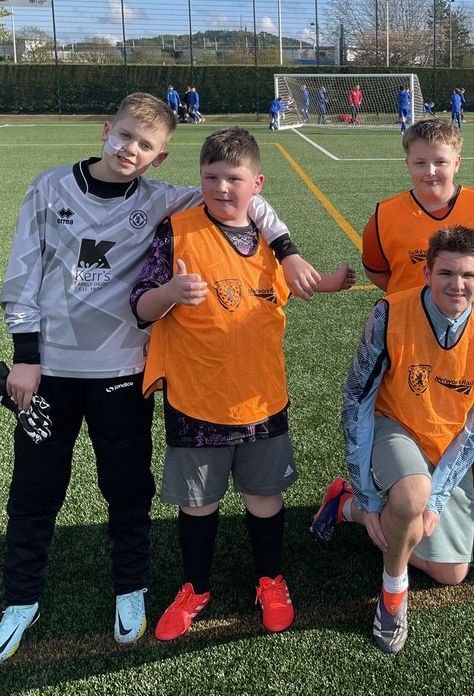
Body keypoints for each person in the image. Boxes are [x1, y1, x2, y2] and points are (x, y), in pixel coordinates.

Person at [0, 92, 321, 664]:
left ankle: (131, 587)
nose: (130, 149)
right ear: (105, 131)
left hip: (122, 370)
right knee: (35, 489)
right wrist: (24, 352)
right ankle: (20, 599)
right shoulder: (48, 187)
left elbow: (248, 204)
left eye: (145, 145)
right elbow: (22, 269)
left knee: (126, 487)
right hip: (49, 371)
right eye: (124, 136)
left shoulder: (165, 199)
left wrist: (287, 251)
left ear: (160, 158)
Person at [131, 127, 354, 641]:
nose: (221, 188)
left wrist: (329, 282)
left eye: (234, 178)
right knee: (198, 503)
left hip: (261, 400)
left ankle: (271, 581)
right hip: (196, 402)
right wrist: (169, 291)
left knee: (264, 498)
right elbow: (139, 307)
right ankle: (195, 588)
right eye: (211, 177)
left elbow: (299, 287)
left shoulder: (275, 247)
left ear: (257, 184)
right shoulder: (177, 231)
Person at [311, 226, 474, 654]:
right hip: (395, 426)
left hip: (447, 445)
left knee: (452, 573)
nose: (457, 285)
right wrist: (368, 491)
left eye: (467, 275)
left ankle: (342, 504)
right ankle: (392, 593)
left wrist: (437, 498)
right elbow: (356, 401)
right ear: (426, 273)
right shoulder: (390, 312)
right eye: (445, 273)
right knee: (410, 496)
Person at [361, 119, 474, 549]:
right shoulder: (385, 214)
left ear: (458, 162)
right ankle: (394, 494)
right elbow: (381, 273)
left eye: (441, 162)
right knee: (406, 422)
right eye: (421, 162)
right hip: (410, 344)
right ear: (407, 162)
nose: (431, 171)